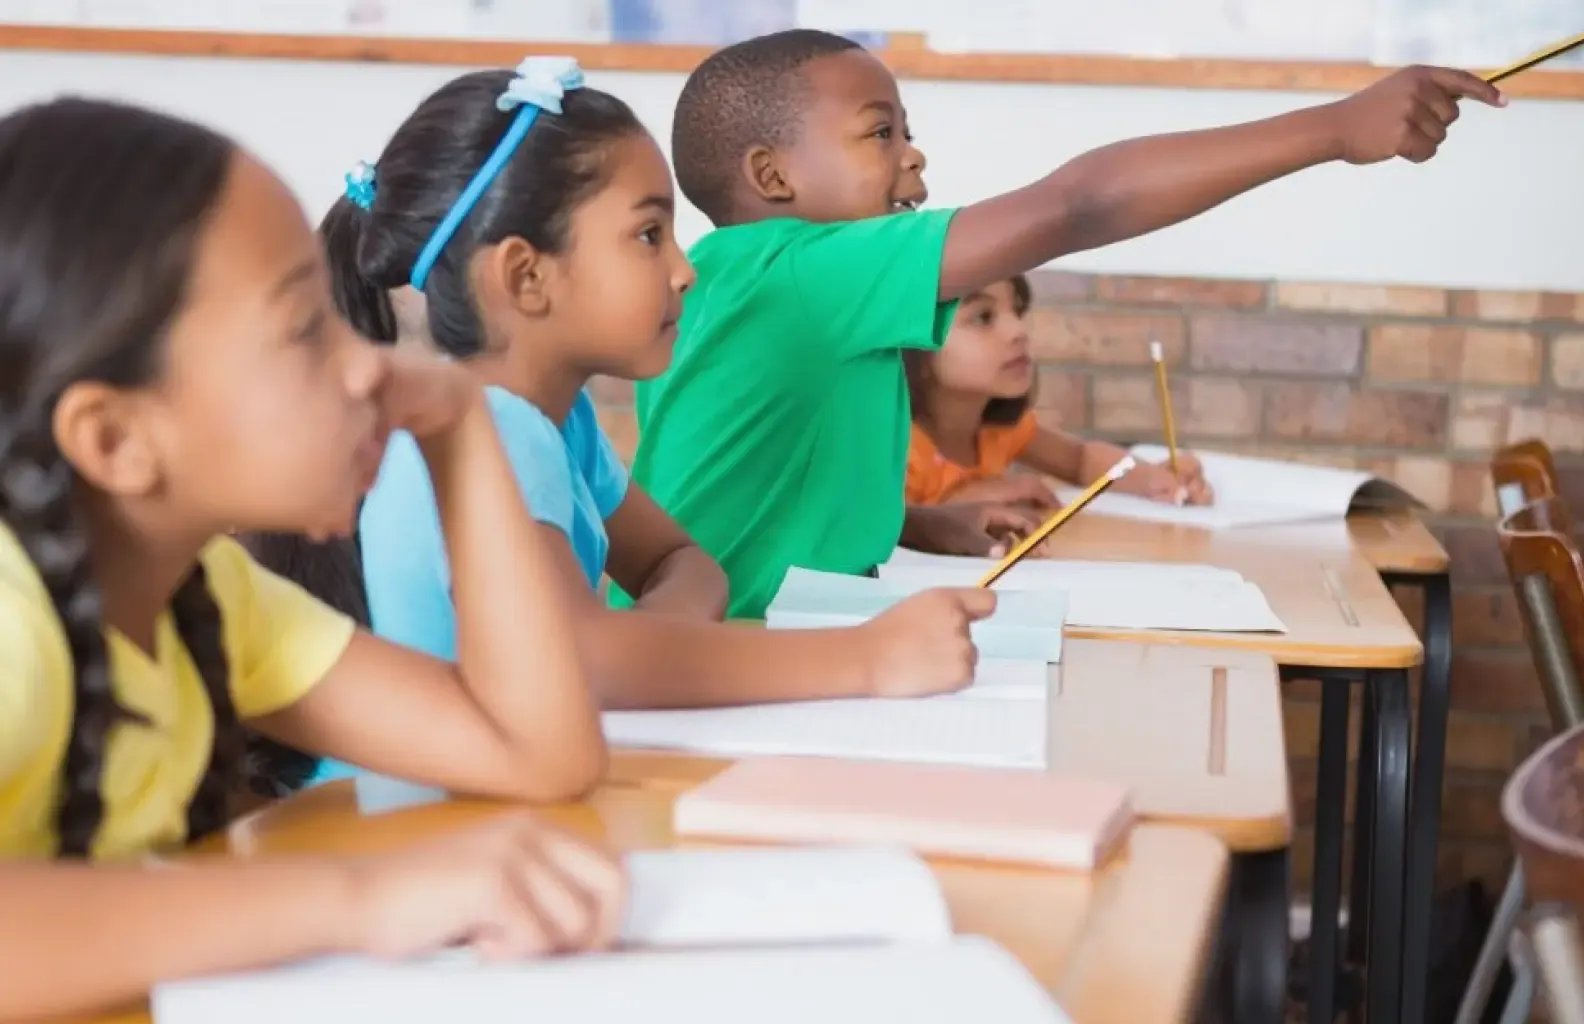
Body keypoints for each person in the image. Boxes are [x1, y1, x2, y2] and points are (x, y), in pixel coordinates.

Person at [0, 97, 625, 1020]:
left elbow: (537, 753)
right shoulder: (14, 622)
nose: (367, 362)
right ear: (116, 438)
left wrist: (459, 429)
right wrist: (360, 899)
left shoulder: (204, 595)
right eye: (305, 330)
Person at [256, 58, 992, 791]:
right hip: (415, 839)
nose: (684, 270)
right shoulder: (484, 431)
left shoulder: (558, 420)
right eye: (648, 236)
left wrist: (645, 643)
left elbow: (683, 564)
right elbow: (588, 656)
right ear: (526, 277)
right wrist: (866, 658)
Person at [626, 27, 1504, 617]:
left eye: (908, 130)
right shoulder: (802, 270)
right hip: (713, 654)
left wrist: (918, 525)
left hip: (735, 633)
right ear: (773, 178)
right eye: (879, 132)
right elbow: (1080, 204)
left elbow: (762, 479)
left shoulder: (754, 280)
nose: (913, 152)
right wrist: (1338, 127)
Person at [904, 272, 1213, 518]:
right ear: (909, 346)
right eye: (983, 317)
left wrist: (1150, 478)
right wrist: (955, 505)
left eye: (1017, 310)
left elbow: (1080, 459)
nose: (1018, 330)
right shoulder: (894, 446)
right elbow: (873, 527)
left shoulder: (999, 430)